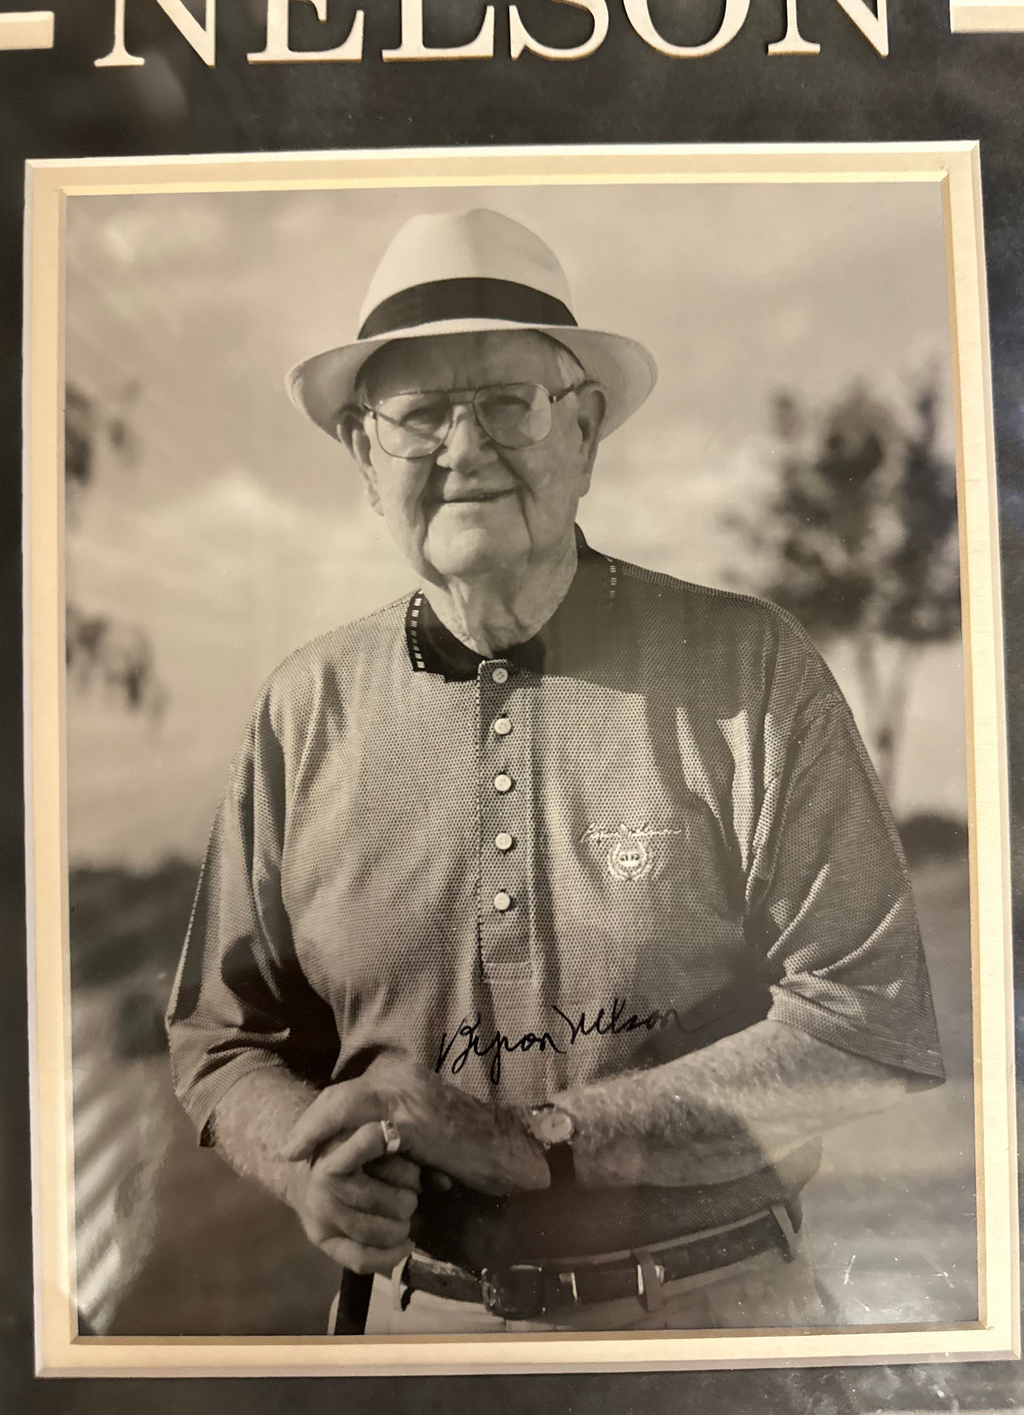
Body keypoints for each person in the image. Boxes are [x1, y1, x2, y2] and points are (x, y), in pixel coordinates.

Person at [165, 207, 945, 1334]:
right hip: (416, 1333)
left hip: (715, 1322)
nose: (464, 449)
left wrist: (539, 1141)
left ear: (583, 432)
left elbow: (865, 1021)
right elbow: (223, 1036)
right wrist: (302, 1161)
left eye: (508, 403)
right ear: (364, 458)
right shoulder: (303, 707)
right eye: (419, 415)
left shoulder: (750, 666)